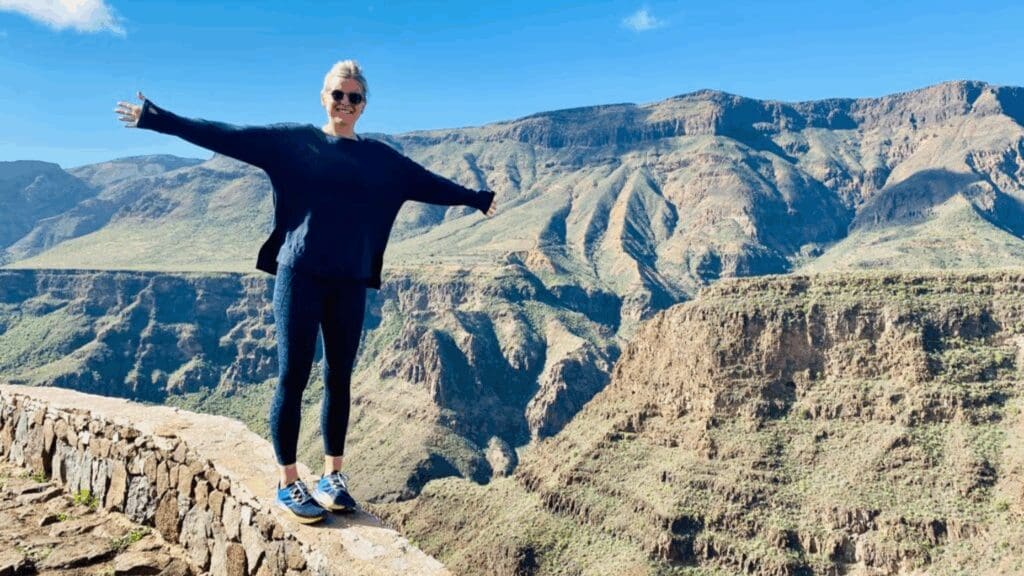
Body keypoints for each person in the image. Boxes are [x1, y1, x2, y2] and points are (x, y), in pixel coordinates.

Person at [115, 60, 497, 524]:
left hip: (350, 280)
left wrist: (476, 198)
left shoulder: (380, 159)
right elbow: (228, 135)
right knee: (292, 376)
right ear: (324, 97)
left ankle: (332, 476)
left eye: (354, 97)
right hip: (299, 275)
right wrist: (159, 119)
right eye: (338, 94)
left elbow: (427, 183)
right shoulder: (295, 142)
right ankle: (287, 479)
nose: (345, 104)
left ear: (364, 105)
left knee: (340, 377)